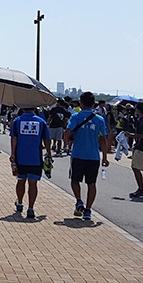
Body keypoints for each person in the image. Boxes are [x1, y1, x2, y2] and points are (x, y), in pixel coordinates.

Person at [64, 92, 108, 221]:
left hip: (78, 154)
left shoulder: (75, 117)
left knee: (75, 180)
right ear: (93, 103)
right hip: (94, 156)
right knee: (91, 183)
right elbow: (103, 139)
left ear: (81, 103)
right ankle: (88, 210)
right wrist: (105, 157)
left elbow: (67, 132)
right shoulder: (99, 119)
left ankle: (79, 201)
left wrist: (67, 140)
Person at [9, 106, 51, 219]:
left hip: (20, 157)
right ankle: (31, 208)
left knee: (20, 180)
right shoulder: (41, 122)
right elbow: (47, 139)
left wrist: (12, 153)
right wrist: (49, 153)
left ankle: (20, 202)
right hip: (35, 158)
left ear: (22, 108)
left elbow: (14, 138)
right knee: (33, 183)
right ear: (34, 108)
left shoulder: (17, 121)